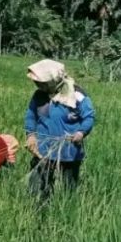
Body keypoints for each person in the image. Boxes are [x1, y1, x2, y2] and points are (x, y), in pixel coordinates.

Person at [24, 59, 95, 201]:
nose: (37, 85)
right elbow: (31, 115)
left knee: (68, 190)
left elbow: (89, 117)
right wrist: (31, 135)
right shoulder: (39, 95)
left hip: (69, 150)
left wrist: (81, 132)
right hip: (43, 149)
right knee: (37, 190)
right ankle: (39, 213)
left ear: (53, 80)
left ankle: (66, 213)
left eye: (41, 82)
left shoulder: (77, 94)